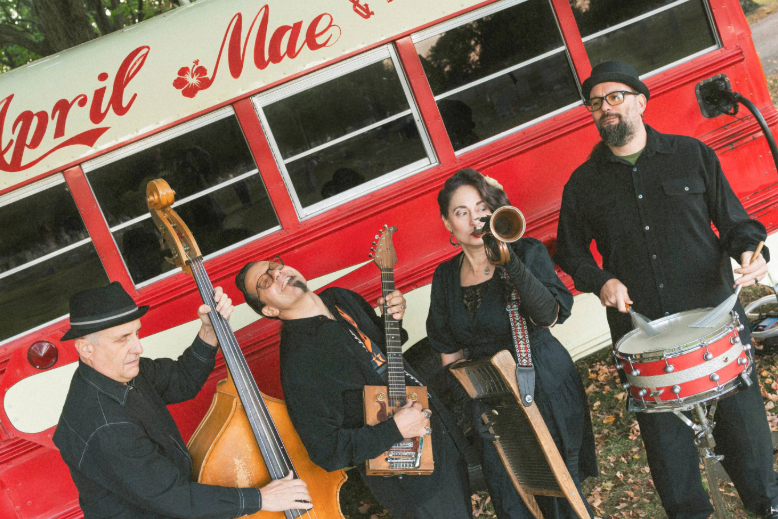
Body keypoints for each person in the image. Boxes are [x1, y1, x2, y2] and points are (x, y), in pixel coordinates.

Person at [554, 60, 778, 519]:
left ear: (640, 100)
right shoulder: (582, 184)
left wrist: (750, 252)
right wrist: (601, 281)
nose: (605, 109)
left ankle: (768, 506)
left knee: (746, 432)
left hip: (713, 319)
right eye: (596, 103)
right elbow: (571, 254)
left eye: (615, 97)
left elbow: (736, 224)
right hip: (644, 336)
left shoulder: (692, 154)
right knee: (668, 448)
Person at [234, 258, 473, 519]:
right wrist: (395, 429)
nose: (277, 273)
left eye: (275, 266)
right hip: (411, 475)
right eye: (265, 281)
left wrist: (393, 317)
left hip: (439, 432)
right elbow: (326, 450)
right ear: (269, 311)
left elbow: (382, 353)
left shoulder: (340, 298)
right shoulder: (299, 362)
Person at [53, 281, 310, 518]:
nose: (138, 348)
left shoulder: (119, 371)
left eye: (136, 334)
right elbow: (173, 497)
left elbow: (182, 380)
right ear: (86, 348)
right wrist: (261, 497)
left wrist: (209, 331)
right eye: (122, 339)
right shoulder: (106, 426)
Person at [427, 168, 597, 519]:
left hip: (543, 384)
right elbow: (448, 349)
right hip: (489, 400)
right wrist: (472, 408)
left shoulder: (527, 251)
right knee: (512, 499)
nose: (474, 218)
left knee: (563, 497)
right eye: (461, 212)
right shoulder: (445, 277)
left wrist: (510, 261)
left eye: (481, 207)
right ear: (448, 223)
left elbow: (550, 314)